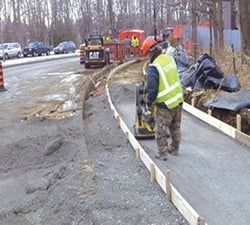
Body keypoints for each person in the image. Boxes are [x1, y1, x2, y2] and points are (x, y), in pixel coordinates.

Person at [141, 38, 184, 161]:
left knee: (161, 130)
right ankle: (175, 148)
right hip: (178, 99)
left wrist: (149, 102)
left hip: (165, 104)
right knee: (175, 127)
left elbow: (152, 89)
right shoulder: (169, 59)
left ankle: (162, 153)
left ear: (150, 52)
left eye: (147, 54)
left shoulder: (154, 67)